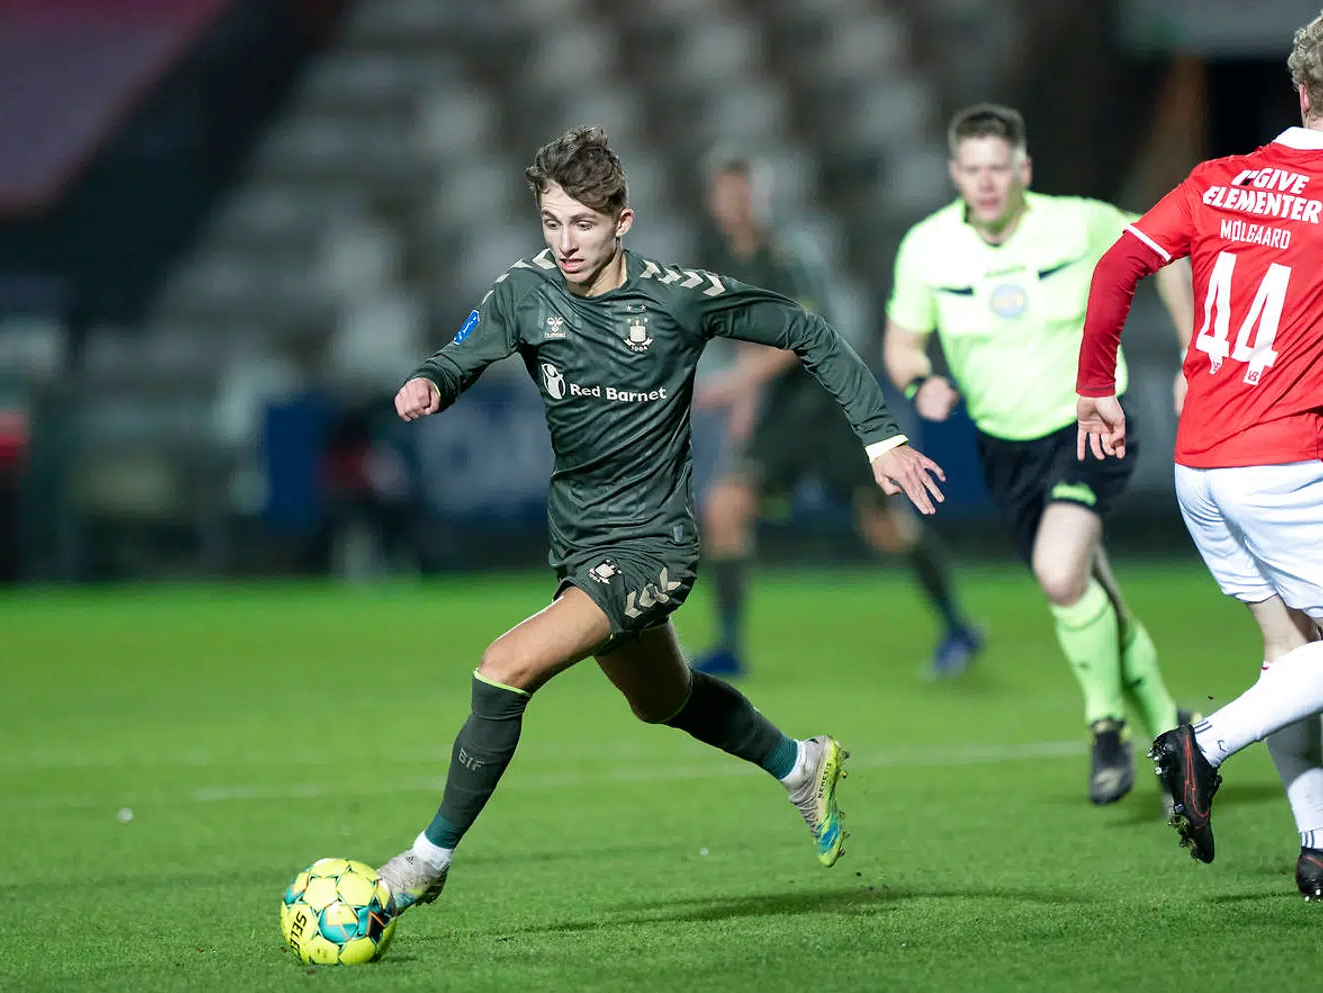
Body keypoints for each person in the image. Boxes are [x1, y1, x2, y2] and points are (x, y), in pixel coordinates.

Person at [376, 127, 946, 918]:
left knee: (504, 664)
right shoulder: (524, 292)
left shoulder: (678, 296)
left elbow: (809, 332)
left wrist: (881, 438)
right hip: (579, 541)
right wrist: (430, 383)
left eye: (583, 223)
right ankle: (800, 764)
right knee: (664, 700)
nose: (565, 242)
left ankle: (424, 861)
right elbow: (461, 352)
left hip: (653, 548)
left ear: (624, 222)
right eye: (551, 222)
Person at [883, 103, 1196, 808]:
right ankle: (1175, 739)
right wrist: (918, 379)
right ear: (954, 173)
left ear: (1023, 169)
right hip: (1006, 450)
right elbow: (901, 342)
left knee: (1061, 573)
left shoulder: (1079, 221)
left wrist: (1190, 349)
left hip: (1089, 426)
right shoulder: (928, 247)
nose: (987, 183)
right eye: (974, 169)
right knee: (1096, 595)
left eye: (1000, 168)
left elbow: (1166, 247)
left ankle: (1105, 727)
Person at [1077, 10, 1323, 900]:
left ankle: (1319, 848)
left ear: (1299, 89)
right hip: (1282, 462)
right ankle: (1203, 744)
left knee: (1292, 653)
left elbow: (1116, 267)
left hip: (1199, 466)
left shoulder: (1220, 179)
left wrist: (1094, 387)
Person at [689, 151, 982, 680]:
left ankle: (958, 627)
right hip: (782, 412)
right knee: (725, 509)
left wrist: (733, 387)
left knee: (884, 526)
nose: (734, 203)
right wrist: (749, 405)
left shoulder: (782, 257)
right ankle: (729, 646)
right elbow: (756, 344)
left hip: (827, 407)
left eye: (743, 192)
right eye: (725, 193)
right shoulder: (732, 261)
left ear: (759, 197)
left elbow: (796, 340)